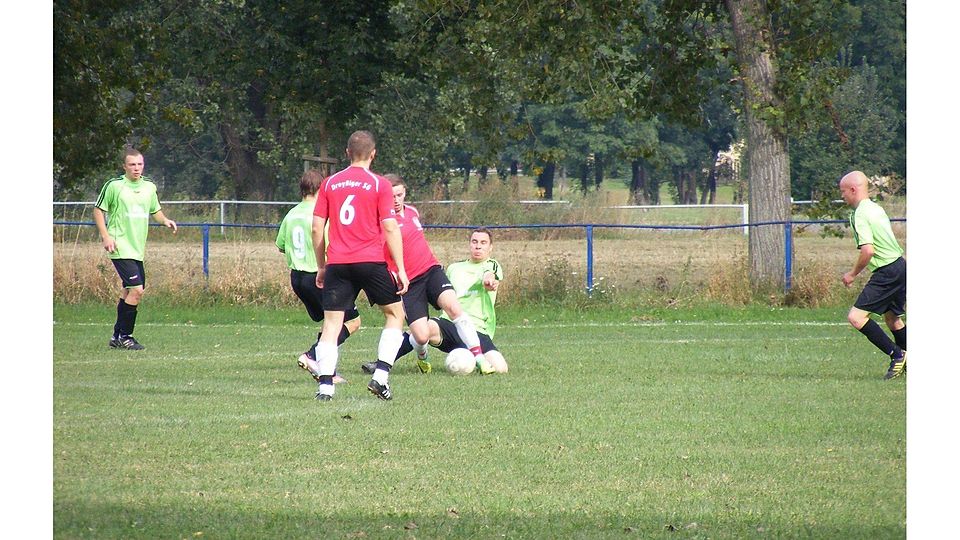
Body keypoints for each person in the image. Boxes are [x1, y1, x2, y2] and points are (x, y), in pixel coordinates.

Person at [359, 175, 494, 376]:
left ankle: (480, 359)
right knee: (421, 337)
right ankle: (422, 357)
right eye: (391, 196)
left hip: (430, 271)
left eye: (399, 195)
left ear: (405, 193)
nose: (395, 200)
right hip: (409, 283)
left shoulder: (412, 212)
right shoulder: (379, 223)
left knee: (454, 307)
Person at [311, 130, 409, 401]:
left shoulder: (330, 183)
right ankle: (380, 377)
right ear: (373, 154)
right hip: (370, 261)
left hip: (338, 263)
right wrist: (400, 268)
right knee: (394, 314)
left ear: (347, 153)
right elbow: (390, 227)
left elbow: (317, 228)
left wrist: (322, 265)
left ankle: (325, 388)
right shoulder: (379, 185)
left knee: (332, 324)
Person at [384, 227, 508, 373]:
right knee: (424, 329)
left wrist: (489, 282)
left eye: (483, 242)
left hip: (478, 330)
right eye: (474, 241)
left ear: (490, 247)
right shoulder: (454, 268)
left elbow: (489, 275)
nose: (478, 246)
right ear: (469, 244)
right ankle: (384, 363)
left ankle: (471, 358)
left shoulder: (491, 264)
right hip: (449, 325)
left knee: (501, 369)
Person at [276, 169, 359, 385]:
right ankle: (313, 357)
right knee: (352, 321)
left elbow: (282, 246)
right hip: (318, 276)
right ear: (322, 188)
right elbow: (331, 243)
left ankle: (324, 367)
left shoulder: (291, 214)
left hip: (297, 279)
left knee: (329, 323)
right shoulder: (321, 214)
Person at [92, 147, 177, 350]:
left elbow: (155, 210)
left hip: (137, 248)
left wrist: (165, 220)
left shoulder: (149, 187)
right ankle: (126, 336)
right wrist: (106, 236)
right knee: (137, 290)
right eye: (132, 164)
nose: (136, 168)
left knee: (128, 290)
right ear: (124, 166)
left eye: (139, 164)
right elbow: (98, 210)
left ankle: (117, 336)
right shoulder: (114, 186)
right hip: (120, 246)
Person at [839, 170, 907, 379]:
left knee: (856, 317)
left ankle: (897, 354)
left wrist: (852, 274)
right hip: (900, 265)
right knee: (893, 318)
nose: (842, 196)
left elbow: (868, 250)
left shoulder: (860, 214)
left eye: (843, 192)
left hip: (886, 271)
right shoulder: (875, 208)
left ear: (853, 189)